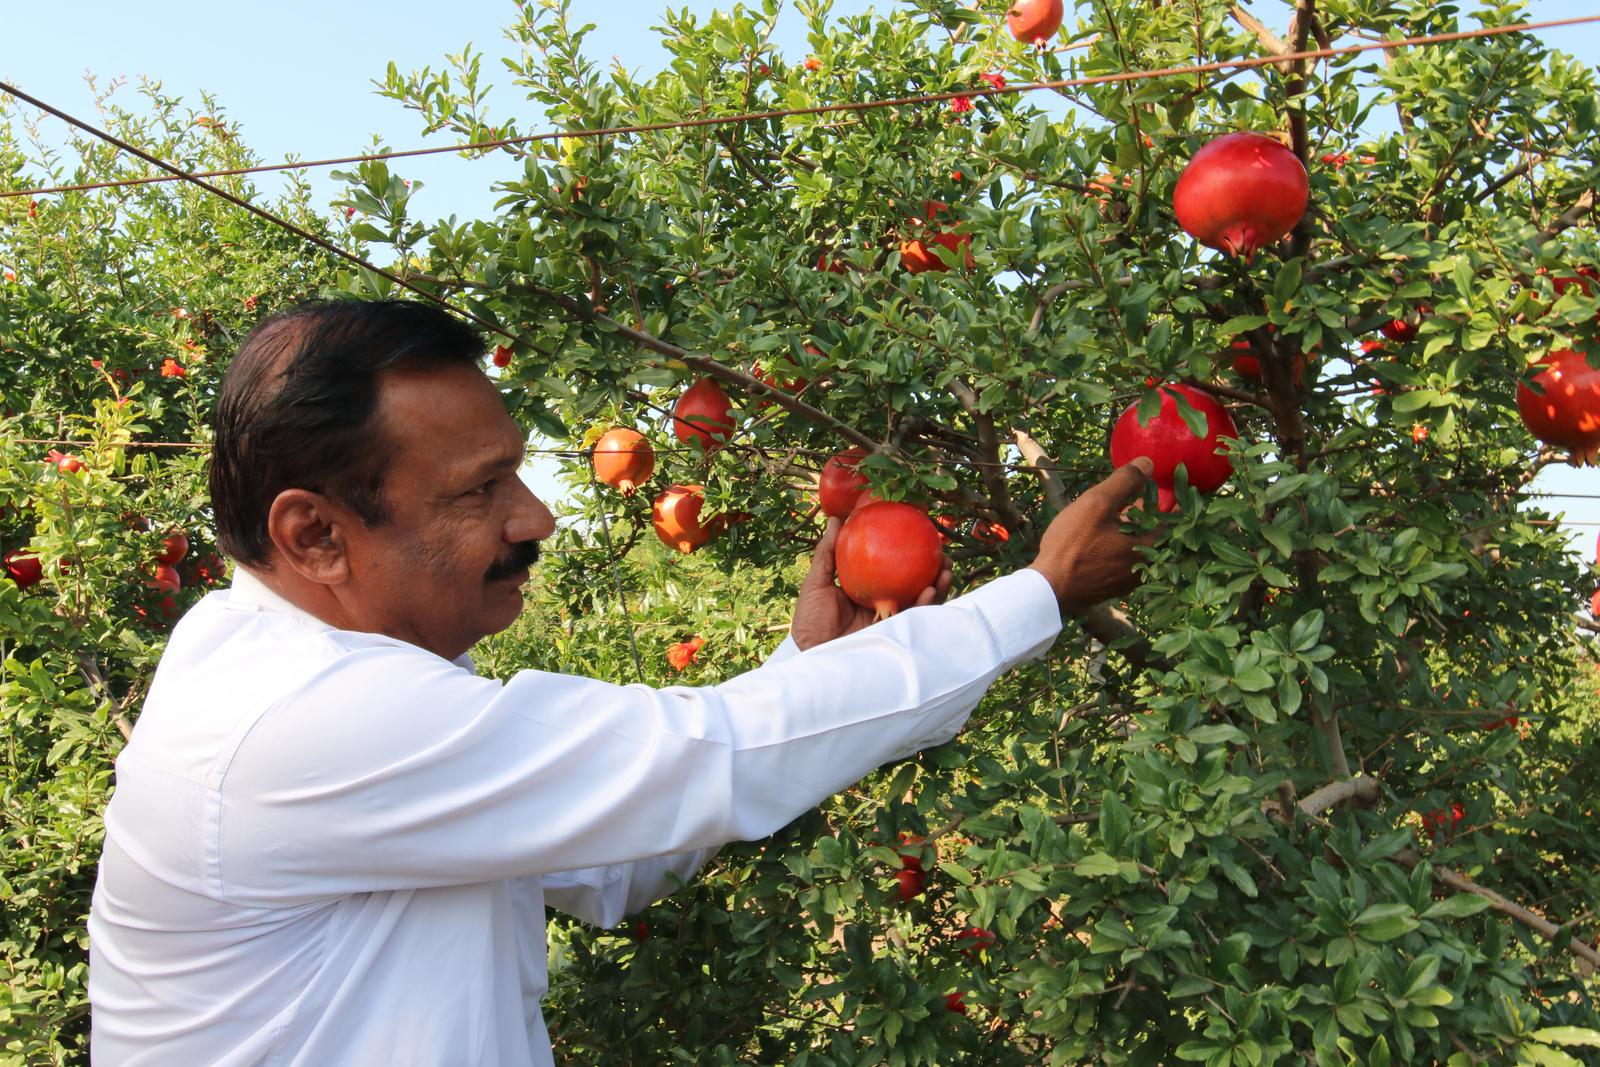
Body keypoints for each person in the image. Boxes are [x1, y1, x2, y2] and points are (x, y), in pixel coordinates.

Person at [87, 299, 1153, 1066]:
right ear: (315, 534)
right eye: (481, 490)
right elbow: (714, 757)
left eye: (517, 470)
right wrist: (1040, 592)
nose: (537, 517)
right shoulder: (297, 716)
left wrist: (807, 665)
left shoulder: (323, 667)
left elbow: (611, 864)